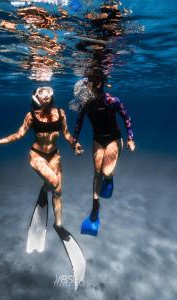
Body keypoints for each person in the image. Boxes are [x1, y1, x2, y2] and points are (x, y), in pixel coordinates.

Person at [0, 86, 85, 290]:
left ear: (51, 96)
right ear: (36, 97)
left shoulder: (60, 113)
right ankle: (45, 189)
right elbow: (17, 135)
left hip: (55, 155)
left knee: (59, 190)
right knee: (53, 183)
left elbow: (67, 134)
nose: (45, 96)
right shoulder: (30, 116)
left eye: (48, 92)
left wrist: (75, 145)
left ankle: (58, 225)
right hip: (36, 155)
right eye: (41, 93)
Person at [71, 74, 135, 236]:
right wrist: (75, 141)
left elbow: (126, 117)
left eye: (87, 84)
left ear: (98, 84)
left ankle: (110, 178)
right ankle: (95, 210)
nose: (84, 87)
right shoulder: (87, 104)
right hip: (98, 139)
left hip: (113, 139)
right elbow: (79, 121)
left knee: (106, 172)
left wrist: (130, 138)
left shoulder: (112, 101)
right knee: (97, 172)